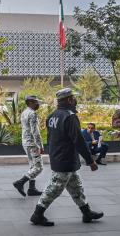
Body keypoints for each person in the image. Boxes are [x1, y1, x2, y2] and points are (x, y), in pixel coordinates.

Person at [30, 88, 104, 227]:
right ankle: (37, 214)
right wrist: (90, 161)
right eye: (73, 98)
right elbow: (79, 140)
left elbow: (51, 139)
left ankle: (87, 213)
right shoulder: (69, 116)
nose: (75, 100)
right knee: (54, 187)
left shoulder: (52, 115)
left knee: (76, 186)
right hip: (65, 158)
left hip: (59, 157)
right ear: (69, 100)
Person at [13, 95, 44, 197]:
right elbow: (35, 132)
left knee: (32, 166)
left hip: (26, 142)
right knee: (38, 167)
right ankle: (20, 182)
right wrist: (40, 146)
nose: (37, 104)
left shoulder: (24, 112)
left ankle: (32, 189)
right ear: (31, 103)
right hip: (32, 143)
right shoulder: (32, 113)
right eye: (36, 102)